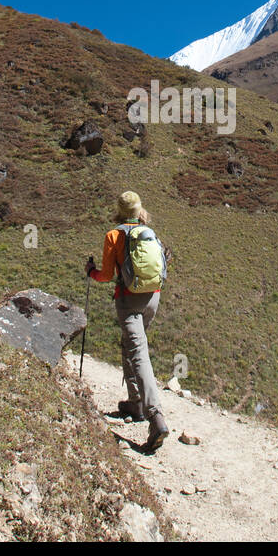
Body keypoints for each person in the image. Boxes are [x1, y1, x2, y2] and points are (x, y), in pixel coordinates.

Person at [86, 191, 169, 451]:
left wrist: (90, 271)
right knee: (130, 345)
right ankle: (135, 402)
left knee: (138, 352)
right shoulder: (148, 232)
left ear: (120, 211)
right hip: (152, 299)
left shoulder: (114, 236)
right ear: (139, 210)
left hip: (128, 301)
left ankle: (155, 417)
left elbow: (106, 275)